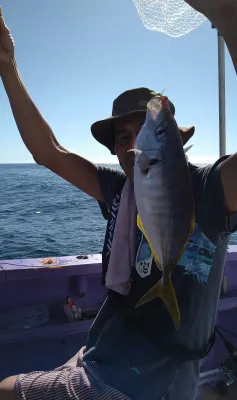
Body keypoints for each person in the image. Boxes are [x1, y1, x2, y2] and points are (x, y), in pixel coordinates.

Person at [0, 0, 237, 398]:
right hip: (102, 352)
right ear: (113, 152)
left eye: (142, 131)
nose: (131, 146)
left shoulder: (211, 188)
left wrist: (228, 15)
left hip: (147, 383)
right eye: (121, 138)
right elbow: (48, 151)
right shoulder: (118, 190)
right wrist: (7, 67)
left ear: (177, 139)